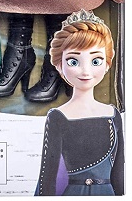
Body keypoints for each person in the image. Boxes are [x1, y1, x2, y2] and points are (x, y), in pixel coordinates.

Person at [35, 11, 124, 195]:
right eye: (73, 61)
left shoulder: (112, 114)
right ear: (59, 66)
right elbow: (47, 176)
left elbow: (119, 174)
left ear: (107, 64)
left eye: (96, 61)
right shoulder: (58, 117)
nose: (85, 71)